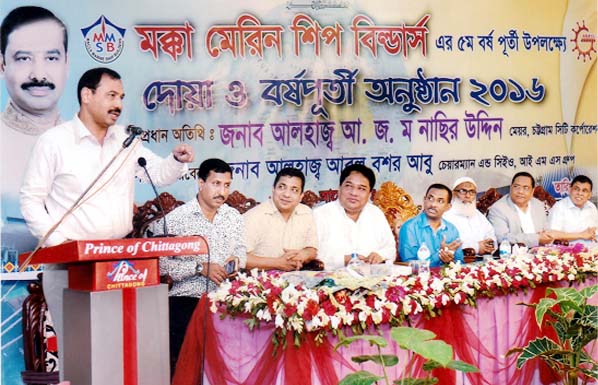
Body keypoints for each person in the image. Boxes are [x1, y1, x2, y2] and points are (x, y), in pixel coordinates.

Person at [19, 67, 194, 381]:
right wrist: (59, 243)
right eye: (111, 95)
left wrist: (177, 161)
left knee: (117, 355)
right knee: (80, 358)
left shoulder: (126, 141)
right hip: (69, 265)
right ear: (87, 96)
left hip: (119, 265)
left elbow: (158, 172)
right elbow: (31, 198)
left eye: (122, 97)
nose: (118, 104)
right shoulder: (55, 141)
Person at [148, 158, 246, 376]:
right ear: (200, 183)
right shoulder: (175, 220)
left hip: (226, 295)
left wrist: (236, 263)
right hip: (187, 297)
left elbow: (241, 251)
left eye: (227, 185)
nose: (222, 191)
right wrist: (199, 267)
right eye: (216, 183)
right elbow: (161, 265)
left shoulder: (233, 217)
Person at [1, 6, 69, 247]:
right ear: (2, 65)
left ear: (66, 64)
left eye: (51, 58)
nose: (39, 74)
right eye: (23, 58)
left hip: (76, 274)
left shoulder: (83, 141)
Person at [313, 164, 396, 270]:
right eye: (349, 186)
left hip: (370, 280)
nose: (354, 193)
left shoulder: (376, 213)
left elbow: (390, 248)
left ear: (370, 194)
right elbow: (312, 255)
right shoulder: (320, 214)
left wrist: (380, 255)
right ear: (339, 188)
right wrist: (343, 260)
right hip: (330, 280)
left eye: (361, 189)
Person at [244, 167, 318, 270]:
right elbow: (239, 258)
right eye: (282, 187)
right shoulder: (254, 217)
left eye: (294, 190)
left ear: (301, 196)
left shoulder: (306, 213)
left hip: (298, 278)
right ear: (273, 189)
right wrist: (277, 263)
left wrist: (302, 256)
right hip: (261, 281)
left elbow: (312, 248)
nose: (286, 194)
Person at [399, 184, 464, 267]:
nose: (433, 204)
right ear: (424, 200)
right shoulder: (409, 227)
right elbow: (409, 264)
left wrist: (450, 261)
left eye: (440, 201)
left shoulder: (452, 230)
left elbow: (460, 263)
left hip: (446, 278)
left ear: (448, 207)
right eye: (430, 198)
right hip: (419, 278)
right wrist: (439, 256)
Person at [487, 171, 556, 247]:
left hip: (541, 251)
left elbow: (545, 229)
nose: (520, 191)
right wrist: (536, 238)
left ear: (532, 191)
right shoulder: (498, 209)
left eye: (526, 188)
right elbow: (502, 238)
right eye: (516, 187)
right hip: (514, 254)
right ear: (511, 188)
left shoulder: (538, 204)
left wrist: (545, 236)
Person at [443, 177, 496, 255]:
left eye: (472, 192)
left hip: (482, 261)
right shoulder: (445, 215)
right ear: (453, 193)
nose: (467, 196)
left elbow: (491, 236)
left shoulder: (479, 216)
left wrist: (489, 244)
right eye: (463, 191)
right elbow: (446, 245)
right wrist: (477, 247)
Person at [547, 175, 597, 245]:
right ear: (570, 190)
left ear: (589, 195)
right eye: (576, 189)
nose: (579, 193)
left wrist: (593, 232)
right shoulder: (559, 207)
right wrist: (581, 235)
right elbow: (551, 234)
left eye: (584, 191)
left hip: (592, 250)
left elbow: (594, 229)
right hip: (567, 251)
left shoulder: (591, 207)